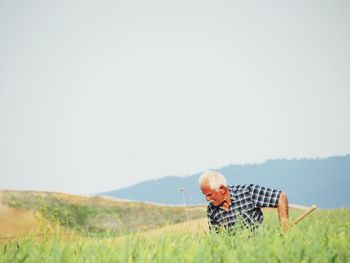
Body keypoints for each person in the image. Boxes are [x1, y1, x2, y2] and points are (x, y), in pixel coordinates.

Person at [199, 170, 289, 234]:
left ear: (222, 189)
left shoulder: (248, 192)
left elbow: (280, 197)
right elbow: (216, 240)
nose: (207, 199)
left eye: (209, 195)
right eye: (205, 195)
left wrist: (285, 229)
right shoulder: (211, 209)